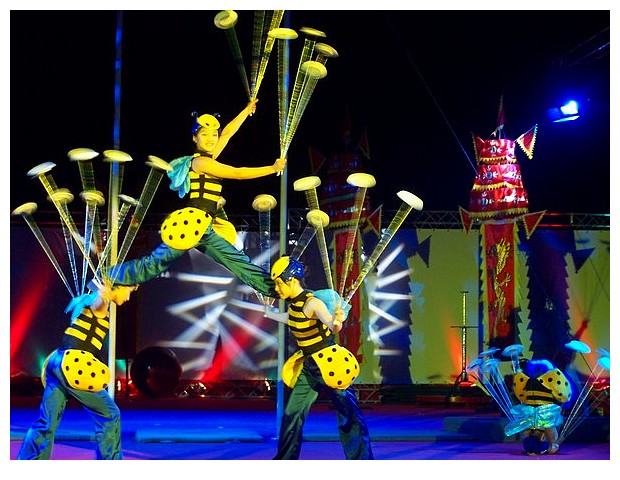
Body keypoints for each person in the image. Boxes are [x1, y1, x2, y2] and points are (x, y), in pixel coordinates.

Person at [110, 99, 286, 297]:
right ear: (195, 138)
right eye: (204, 134)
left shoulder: (209, 156)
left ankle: (277, 291)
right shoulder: (201, 162)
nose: (211, 138)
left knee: (238, 262)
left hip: (205, 226)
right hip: (191, 224)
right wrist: (272, 169)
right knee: (156, 263)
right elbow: (238, 173)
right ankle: (109, 276)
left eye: (213, 134)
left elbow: (227, 132)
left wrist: (246, 111)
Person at [17, 280, 139, 460]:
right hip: (74, 365)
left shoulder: (84, 301)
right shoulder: (98, 304)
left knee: (46, 422)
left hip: (57, 363)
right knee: (110, 414)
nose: (128, 297)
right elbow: (99, 304)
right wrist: (103, 295)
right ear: (117, 288)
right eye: (128, 291)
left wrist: (100, 294)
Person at [269, 256, 374, 460]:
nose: (277, 289)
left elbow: (332, 325)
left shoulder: (313, 302)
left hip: (330, 364)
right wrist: (268, 313)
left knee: (349, 414)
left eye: (279, 283)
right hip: (309, 366)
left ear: (291, 280)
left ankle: (362, 461)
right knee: (292, 414)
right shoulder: (294, 305)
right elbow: (292, 320)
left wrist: (337, 320)